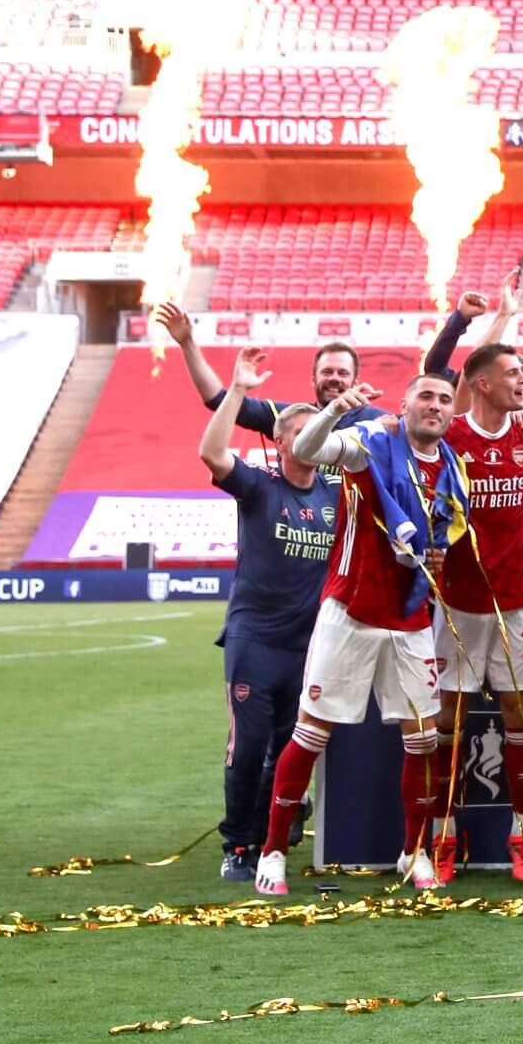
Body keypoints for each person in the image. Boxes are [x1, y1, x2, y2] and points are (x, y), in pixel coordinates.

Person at [264, 370, 468, 897]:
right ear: (405, 404)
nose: (436, 405)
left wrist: (435, 557)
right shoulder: (372, 443)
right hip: (351, 613)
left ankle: (413, 852)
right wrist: (335, 410)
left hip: (410, 619)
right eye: (425, 395)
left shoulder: (452, 470)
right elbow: (309, 449)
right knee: (311, 733)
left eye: (445, 399)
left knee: (423, 740)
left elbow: (441, 543)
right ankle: (273, 852)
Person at [425, 341, 523, 885]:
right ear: (483, 383)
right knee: (449, 722)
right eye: (513, 372)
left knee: (520, 718)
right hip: (457, 602)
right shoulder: (449, 437)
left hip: (518, 601)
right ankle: (443, 834)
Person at [198, 347, 333, 883]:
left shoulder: (335, 495)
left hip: (309, 647)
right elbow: (211, 453)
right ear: (279, 441)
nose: (311, 440)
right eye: (300, 431)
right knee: (248, 745)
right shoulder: (259, 486)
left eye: (318, 431)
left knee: (288, 747)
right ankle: (238, 843)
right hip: (254, 641)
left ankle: (272, 839)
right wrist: (237, 390)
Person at [157, 302, 379, 437]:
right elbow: (218, 400)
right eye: (327, 372)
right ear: (313, 379)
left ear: (355, 380)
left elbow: (412, 432)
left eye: (343, 373)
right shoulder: (290, 418)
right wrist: (188, 343)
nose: (334, 378)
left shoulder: (376, 424)